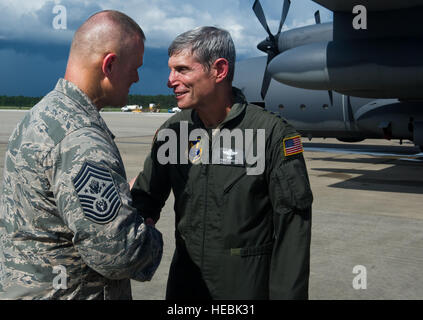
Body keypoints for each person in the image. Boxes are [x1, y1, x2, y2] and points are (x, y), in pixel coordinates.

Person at [130, 26, 313, 299]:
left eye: (182, 70)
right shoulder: (174, 132)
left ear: (219, 70)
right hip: (185, 290)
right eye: (171, 70)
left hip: (244, 291)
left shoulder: (271, 135)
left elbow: (292, 235)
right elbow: (146, 199)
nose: (170, 80)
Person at [0, 10, 163, 300]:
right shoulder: (80, 139)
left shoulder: (41, 115)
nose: (138, 78)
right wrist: (145, 230)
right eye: (135, 67)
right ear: (109, 65)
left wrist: (114, 197)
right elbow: (117, 252)